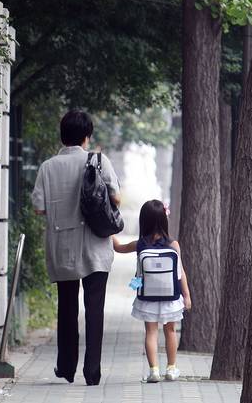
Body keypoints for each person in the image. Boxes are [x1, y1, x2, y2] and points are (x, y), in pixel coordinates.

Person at [31, 109, 121, 386]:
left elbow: (39, 208)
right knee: (95, 310)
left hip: (63, 246)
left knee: (67, 308)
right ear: (86, 136)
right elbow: (116, 198)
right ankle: (92, 372)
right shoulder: (98, 160)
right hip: (95, 245)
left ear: (62, 136)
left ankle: (66, 367)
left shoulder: (48, 167)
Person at [113, 199, 191, 382]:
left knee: (151, 332)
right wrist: (186, 296)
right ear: (164, 219)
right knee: (170, 331)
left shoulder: (139, 245)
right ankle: (171, 369)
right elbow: (181, 273)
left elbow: (118, 247)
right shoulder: (173, 245)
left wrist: (107, 230)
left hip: (148, 297)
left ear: (144, 221)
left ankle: (154, 371)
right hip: (171, 296)